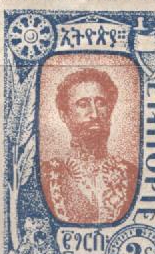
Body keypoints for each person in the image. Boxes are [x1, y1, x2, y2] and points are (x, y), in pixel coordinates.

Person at [41, 67, 137, 225]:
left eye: (101, 103)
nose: (95, 114)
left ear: (110, 111)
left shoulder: (132, 174)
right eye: (83, 104)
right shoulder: (47, 175)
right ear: (64, 115)